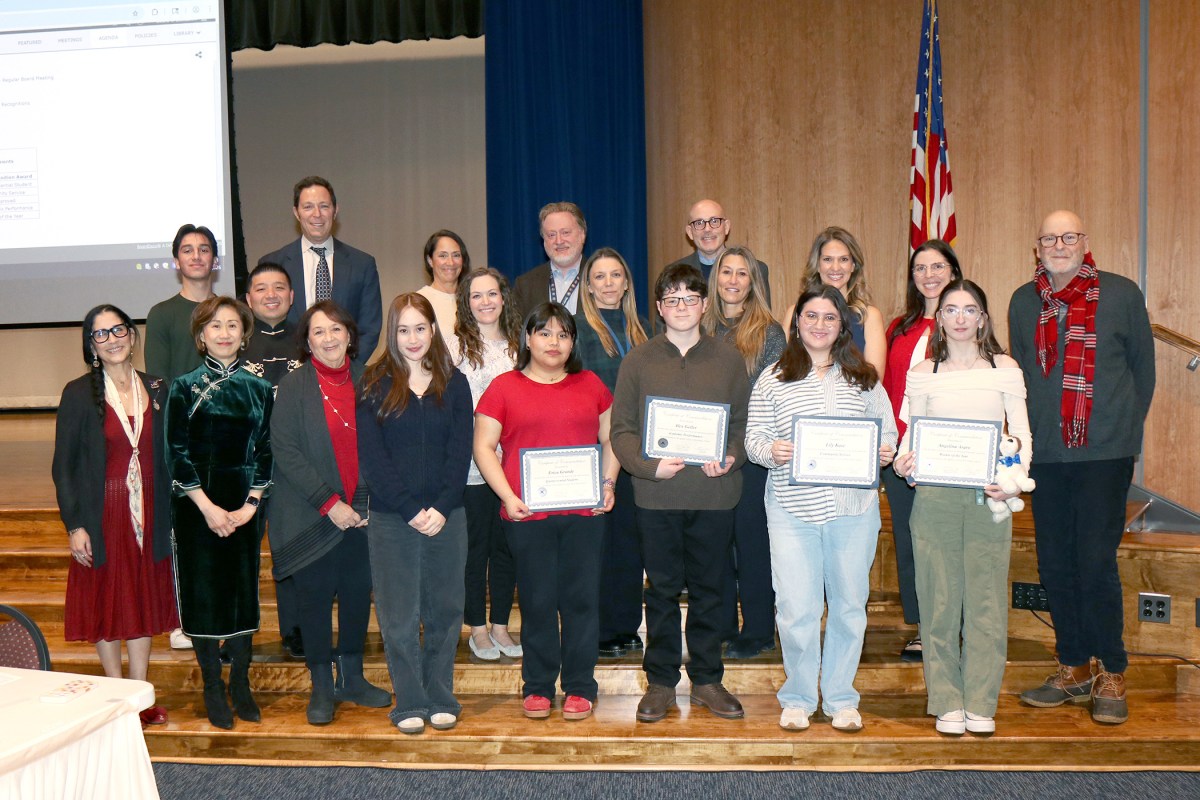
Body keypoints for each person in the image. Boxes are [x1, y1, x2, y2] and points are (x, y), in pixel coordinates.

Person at [1010, 210, 1155, 725]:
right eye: (1049, 237)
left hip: (1104, 455)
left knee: (1095, 562)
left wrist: (1121, 432)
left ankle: (1111, 670)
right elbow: (1022, 375)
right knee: (1055, 564)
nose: (1059, 244)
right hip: (1046, 455)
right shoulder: (1024, 302)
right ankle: (1072, 665)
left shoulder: (1120, 293)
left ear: (1084, 241)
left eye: (1068, 236)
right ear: (1038, 247)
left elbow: (1144, 370)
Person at [746, 285, 896, 733]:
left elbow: (886, 432)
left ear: (842, 327)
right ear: (798, 323)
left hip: (853, 510)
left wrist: (885, 450)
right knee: (796, 608)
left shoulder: (864, 377)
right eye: (811, 316)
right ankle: (798, 697)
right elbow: (753, 439)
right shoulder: (774, 377)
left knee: (850, 605)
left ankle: (841, 698)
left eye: (829, 318)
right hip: (793, 510)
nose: (819, 325)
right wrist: (772, 448)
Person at [611, 263, 749, 723]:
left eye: (690, 298)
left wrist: (730, 456)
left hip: (714, 495)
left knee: (712, 590)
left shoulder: (729, 360)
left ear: (705, 304)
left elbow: (743, 425)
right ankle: (662, 682)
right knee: (663, 591)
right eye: (671, 299)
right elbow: (622, 430)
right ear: (658, 307)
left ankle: (708, 678)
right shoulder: (639, 360)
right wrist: (649, 466)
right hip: (657, 497)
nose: (681, 307)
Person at [893, 279, 1029, 735]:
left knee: (986, 602)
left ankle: (981, 701)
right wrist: (903, 462)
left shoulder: (1005, 367)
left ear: (983, 318)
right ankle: (947, 700)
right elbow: (911, 434)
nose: (960, 317)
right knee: (939, 601)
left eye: (970, 309)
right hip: (934, 497)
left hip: (989, 497)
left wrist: (1012, 482)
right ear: (940, 318)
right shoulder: (923, 372)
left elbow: (1023, 435)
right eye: (951, 309)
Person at [475, 302, 619, 721]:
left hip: (584, 514)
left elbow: (612, 439)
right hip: (526, 516)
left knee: (580, 602)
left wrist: (607, 485)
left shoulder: (591, 384)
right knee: (537, 602)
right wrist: (506, 496)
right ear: (528, 339)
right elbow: (483, 446)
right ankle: (537, 686)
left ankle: (579, 686)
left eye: (563, 334)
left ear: (572, 342)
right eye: (544, 333)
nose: (554, 342)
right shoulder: (504, 386)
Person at [52, 305, 177, 727]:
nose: (112, 339)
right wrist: (75, 525)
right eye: (100, 334)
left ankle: (139, 698)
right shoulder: (77, 392)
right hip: (103, 514)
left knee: (141, 598)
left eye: (118, 329)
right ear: (91, 345)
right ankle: (114, 696)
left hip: (152, 512)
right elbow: (63, 465)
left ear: (132, 333)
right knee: (108, 601)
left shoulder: (158, 387)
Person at [270, 301, 392, 725]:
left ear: (349, 335)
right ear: (307, 341)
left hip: (362, 513)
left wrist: (361, 503)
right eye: (318, 332)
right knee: (316, 601)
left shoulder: (371, 380)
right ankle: (322, 685)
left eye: (336, 329)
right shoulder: (292, 386)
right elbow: (285, 450)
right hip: (309, 513)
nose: (328, 339)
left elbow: (383, 445)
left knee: (358, 595)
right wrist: (329, 502)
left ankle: (353, 679)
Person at [357, 293, 473, 734]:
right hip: (392, 518)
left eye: (420, 328)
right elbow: (373, 458)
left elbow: (460, 451)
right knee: (398, 613)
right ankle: (409, 698)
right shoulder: (373, 382)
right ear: (393, 333)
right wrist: (409, 509)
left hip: (449, 515)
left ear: (433, 330)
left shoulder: (454, 382)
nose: (412, 338)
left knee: (445, 609)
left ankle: (441, 694)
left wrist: (441, 507)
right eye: (403, 330)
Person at [166, 296, 274, 730]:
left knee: (242, 593)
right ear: (201, 336)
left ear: (243, 335)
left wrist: (250, 505)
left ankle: (242, 685)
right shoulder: (183, 386)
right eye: (216, 326)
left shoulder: (260, 388)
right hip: (197, 506)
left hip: (243, 506)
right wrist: (209, 508)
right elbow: (176, 454)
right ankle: (213, 685)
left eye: (233, 325)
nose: (225, 333)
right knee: (205, 595)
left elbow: (265, 451)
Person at [701, 245, 786, 659]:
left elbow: (771, 397)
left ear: (754, 282)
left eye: (742, 274)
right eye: (726, 272)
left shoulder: (769, 332)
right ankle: (720, 626)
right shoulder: (699, 326)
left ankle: (758, 630)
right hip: (706, 455)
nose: (733, 281)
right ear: (715, 279)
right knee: (715, 544)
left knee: (752, 544)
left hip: (750, 456)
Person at [881, 240, 963, 662]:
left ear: (952, 270)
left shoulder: (965, 324)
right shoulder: (898, 326)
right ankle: (922, 627)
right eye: (920, 268)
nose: (929, 275)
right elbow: (888, 392)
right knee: (911, 541)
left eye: (937, 266)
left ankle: (953, 627)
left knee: (947, 543)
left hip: (948, 456)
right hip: (901, 455)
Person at [573, 248, 650, 659]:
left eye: (615, 275)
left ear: (626, 282)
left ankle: (625, 624)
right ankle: (599, 628)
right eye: (599, 276)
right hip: (594, 450)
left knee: (629, 543)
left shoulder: (646, 329)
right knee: (597, 544)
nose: (607, 283)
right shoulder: (576, 330)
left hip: (639, 454)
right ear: (588, 284)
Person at [453, 267, 524, 662]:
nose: (485, 302)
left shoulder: (520, 345)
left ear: (503, 298)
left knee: (507, 549)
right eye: (476, 295)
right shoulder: (452, 347)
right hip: (472, 469)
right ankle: (476, 628)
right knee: (475, 549)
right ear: (467, 303)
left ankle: (500, 624)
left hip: (513, 467)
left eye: (492, 294)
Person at [242, 262, 304, 660]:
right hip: (246, 468)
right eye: (261, 289)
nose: (270, 294)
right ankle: (239, 632)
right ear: (248, 299)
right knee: (243, 553)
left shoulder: (310, 339)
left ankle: (295, 629)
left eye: (279, 287)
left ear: (292, 295)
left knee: (292, 550)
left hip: (295, 467)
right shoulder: (236, 342)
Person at [258, 176, 383, 363]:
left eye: (324, 206)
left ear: (335, 210)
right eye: (308, 207)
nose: (317, 214)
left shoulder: (362, 265)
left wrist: (342, 368)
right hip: (288, 374)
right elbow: (264, 325)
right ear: (296, 212)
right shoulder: (273, 264)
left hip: (344, 375)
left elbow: (369, 329)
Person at [801, 226, 886, 379]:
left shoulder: (868, 317)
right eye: (827, 259)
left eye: (844, 259)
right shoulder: (796, 313)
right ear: (817, 265)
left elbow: (875, 383)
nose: (835, 267)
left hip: (855, 402)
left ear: (853, 266)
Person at [145, 223, 219, 383]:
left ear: (214, 260)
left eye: (204, 250)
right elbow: (157, 380)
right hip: (179, 406)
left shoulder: (230, 311)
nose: (196, 256)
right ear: (177, 262)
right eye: (187, 251)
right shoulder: (161, 314)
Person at [666, 198, 772, 305]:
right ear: (690, 232)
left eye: (714, 221)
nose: (707, 229)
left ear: (726, 227)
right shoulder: (673, 273)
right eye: (699, 223)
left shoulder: (757, 269)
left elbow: (762, 318)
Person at [512, 202, 587, 316]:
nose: (559, 241)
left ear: (582, 235)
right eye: (551, 235)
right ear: (543, 240)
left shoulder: (600, 278)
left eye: (565, 233)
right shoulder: (525, 285)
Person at [417, 229, 469, 353]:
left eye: (456, 255)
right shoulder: (419, 301)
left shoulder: (474, 300)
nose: (450, 262)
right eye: (443, 255)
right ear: (430, 260)